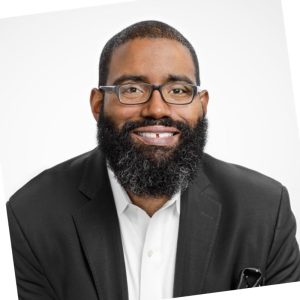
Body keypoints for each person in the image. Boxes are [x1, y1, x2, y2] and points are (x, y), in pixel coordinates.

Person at [6, 20, 300, 300]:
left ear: (202, 104)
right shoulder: (30, 217)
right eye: (132, 89)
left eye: (178, 90)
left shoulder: (264, 212)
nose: (157, 109)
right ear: (98, 105)